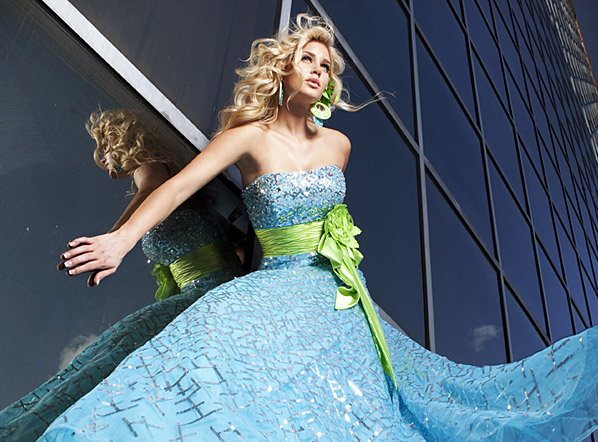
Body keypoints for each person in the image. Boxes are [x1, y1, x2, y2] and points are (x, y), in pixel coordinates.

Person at [39, 15, 597, 441]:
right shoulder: (248, 137)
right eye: (307, 59)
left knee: (379, 408)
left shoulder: (339, 146)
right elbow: (178, 188)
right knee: (207, 375)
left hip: (338, 299)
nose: (317, 69)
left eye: (325, 66)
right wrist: (120, 240)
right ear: (283, 69)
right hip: (274, 289)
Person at [0, 109, 242, 441]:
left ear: (123, 142)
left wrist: (115, 239)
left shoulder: (153, 171)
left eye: (105, 151)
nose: (104, 164)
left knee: (110, 365)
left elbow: (153, 186)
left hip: (207, 295)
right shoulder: (179, 191)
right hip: (208, 294)